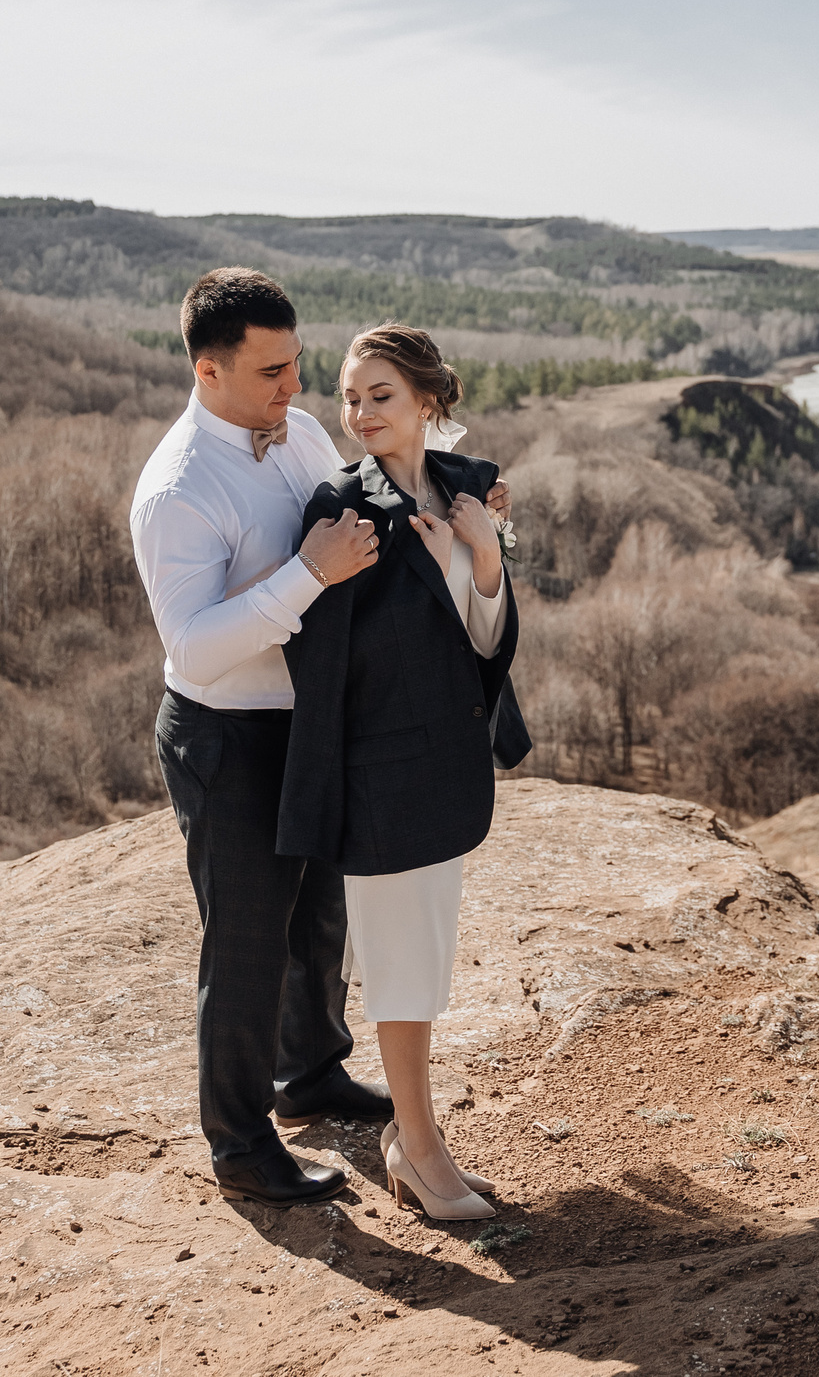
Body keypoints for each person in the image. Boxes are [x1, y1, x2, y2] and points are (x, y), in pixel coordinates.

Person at [128, 269, 392, 1208]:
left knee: (320, 917)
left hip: (309, 718)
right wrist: (308, 578)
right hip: (226, 736)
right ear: (209, 369)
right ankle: (240, 1144)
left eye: (295, 362)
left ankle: (310, 1073)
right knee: (243, 945)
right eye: (273, 369)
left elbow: (363, 505)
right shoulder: (176, 491)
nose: (294, 385)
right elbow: (194, 646)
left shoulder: (302, 432)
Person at [279, 323, 532, 1222]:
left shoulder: (469, 490)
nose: (359, 413)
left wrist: (485, 559)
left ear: (428, 400)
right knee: (397, 964)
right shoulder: (338, 509)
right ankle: (418, 1150)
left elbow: (485, 645)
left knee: (423, 957)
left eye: (379, 395)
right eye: (349, 397)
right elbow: (326, 666)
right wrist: (426, 569)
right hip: (377, 774)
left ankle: (408, 1138)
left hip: (446, 769)